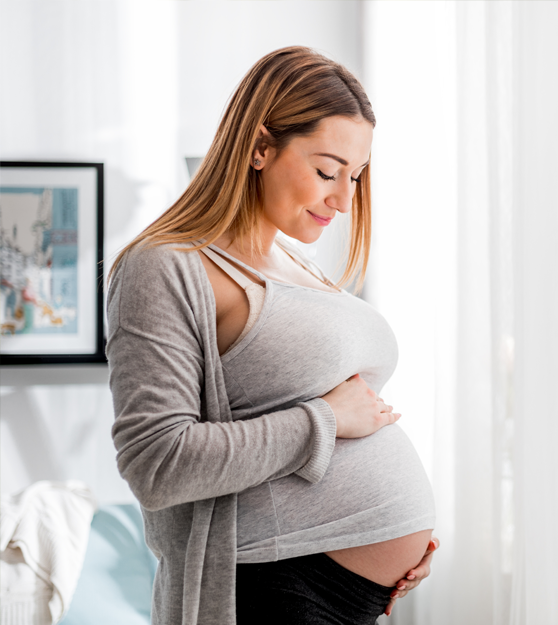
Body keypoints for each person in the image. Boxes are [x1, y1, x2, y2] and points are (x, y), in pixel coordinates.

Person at [105, 46, 438, 625]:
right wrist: (325, 421)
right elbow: (155, 462)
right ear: (260, 146)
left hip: (341, 596)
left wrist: (386, 534)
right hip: (269, 588)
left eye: (356, 176)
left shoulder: (292, 260)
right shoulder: (167, 267)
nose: (344, 198)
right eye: (327, 171)